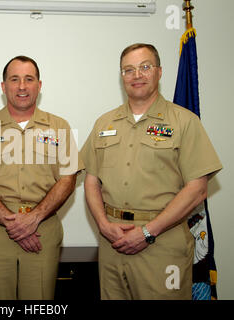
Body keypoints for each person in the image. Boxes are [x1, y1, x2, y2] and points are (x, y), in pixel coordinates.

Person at [81, 43, 222, 300]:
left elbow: (197, 189)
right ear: (122, 76)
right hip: (113, 244)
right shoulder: (104, 123)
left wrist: (147, 232)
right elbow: (91, 181)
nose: (137, 75)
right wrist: (102, 224)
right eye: (129, 70)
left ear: (159, 72)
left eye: (145, 67)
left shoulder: (184, 122)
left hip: (162, 243)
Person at [0, 56, 84, 300]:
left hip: (43, 230)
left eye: (29, 79)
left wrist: (33, 219)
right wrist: (13, 224)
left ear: (39, 85)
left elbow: (67, 180)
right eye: (14, 79)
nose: (22, 86)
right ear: (3, 86)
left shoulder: (59, 127)